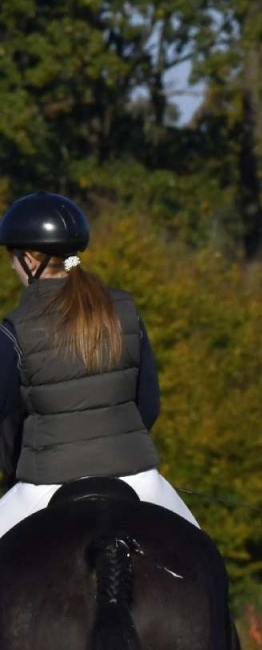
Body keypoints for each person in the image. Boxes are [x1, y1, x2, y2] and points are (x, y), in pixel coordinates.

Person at [0, 192, 196, 540]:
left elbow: (6, 423)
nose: (12, 267)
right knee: (206, 564)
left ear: (30, 259)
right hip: (138, 476)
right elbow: (148, 404)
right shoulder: (124, 308)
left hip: (44, 483)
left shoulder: (13, 330)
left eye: (13, 259)